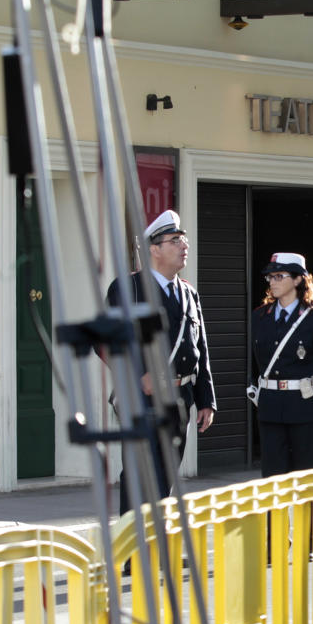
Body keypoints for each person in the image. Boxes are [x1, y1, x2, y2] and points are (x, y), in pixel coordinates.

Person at [106, 209, 216, 516]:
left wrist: (206, 400)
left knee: (165, 477)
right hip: (142, 399)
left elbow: (200, 349)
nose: (184, 246)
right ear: (154, 249)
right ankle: (136, 554)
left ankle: (155, 547)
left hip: (180, 398)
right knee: (140, 475)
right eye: (175, 240)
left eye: (184, 240)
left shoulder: (189, 293)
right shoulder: (129, 289)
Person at [250, 252, 313, 477]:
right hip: (271, 408)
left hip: (308, 409)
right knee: (272, 483)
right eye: (270, 277)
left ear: (298, 279)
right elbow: (255, 361)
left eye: (279, 276)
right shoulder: (260, 316)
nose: (273, 282)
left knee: (306, 482)